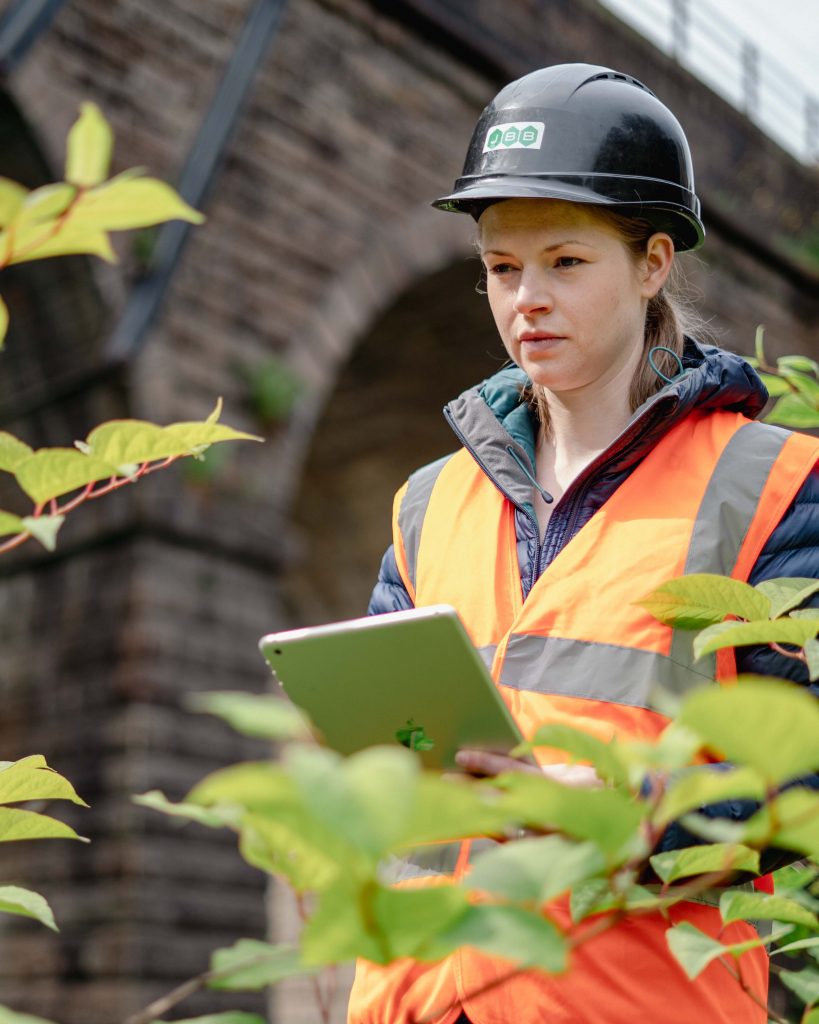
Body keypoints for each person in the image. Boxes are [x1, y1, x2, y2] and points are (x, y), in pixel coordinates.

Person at [348, 63, 819, 1024]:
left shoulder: (776, 489)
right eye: (500, 267)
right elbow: (390, 766)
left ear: (651, 263)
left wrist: (610, 805)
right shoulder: (426, 503)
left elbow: (800, 787)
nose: (526, 298)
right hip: (421, 999)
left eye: (565, 262)